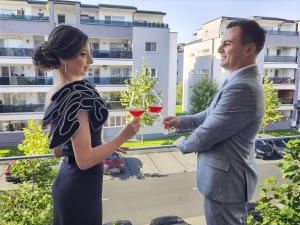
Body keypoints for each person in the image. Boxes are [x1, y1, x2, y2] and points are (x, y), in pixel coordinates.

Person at [32, 25, 140, 225]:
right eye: (84, 54)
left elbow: (58, 151)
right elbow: (84, 160)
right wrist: (122, 136)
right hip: (81, 191)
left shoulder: (54, 92)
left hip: (66, 184)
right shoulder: (78, 95)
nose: (91, 61)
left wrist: (105, 145)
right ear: (64, 58)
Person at [163, 20, 266, 225]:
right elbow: (209, 114)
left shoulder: (243, 88)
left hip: (226, 185)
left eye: (227, 43)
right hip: (225, 183)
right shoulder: (236, 81)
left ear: (248, 49)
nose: (219, 49)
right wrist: (180, 122)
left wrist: (180, 144)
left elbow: (208, 132)